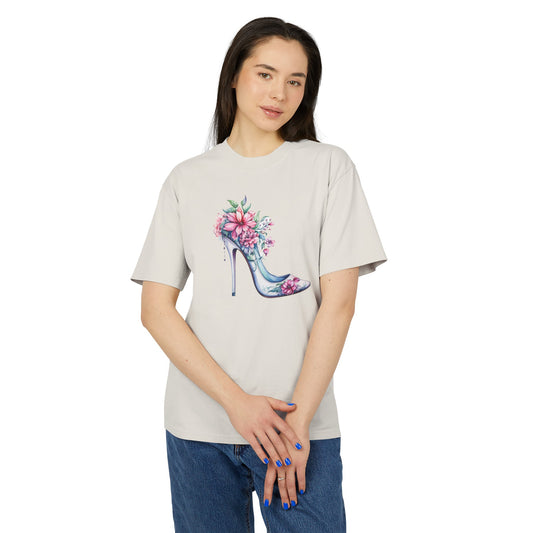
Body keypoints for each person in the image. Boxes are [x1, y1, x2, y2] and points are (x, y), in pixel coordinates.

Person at [130, 16, 387, 533]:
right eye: (265, 74)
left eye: (296, 81)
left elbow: (339, 305)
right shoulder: (187, 179)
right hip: (199, 427)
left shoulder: (329, 168)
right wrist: (238, 405)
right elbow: (156, 310)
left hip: (299, 424)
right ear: (234, 75)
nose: (279, 93)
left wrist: (296, 426)